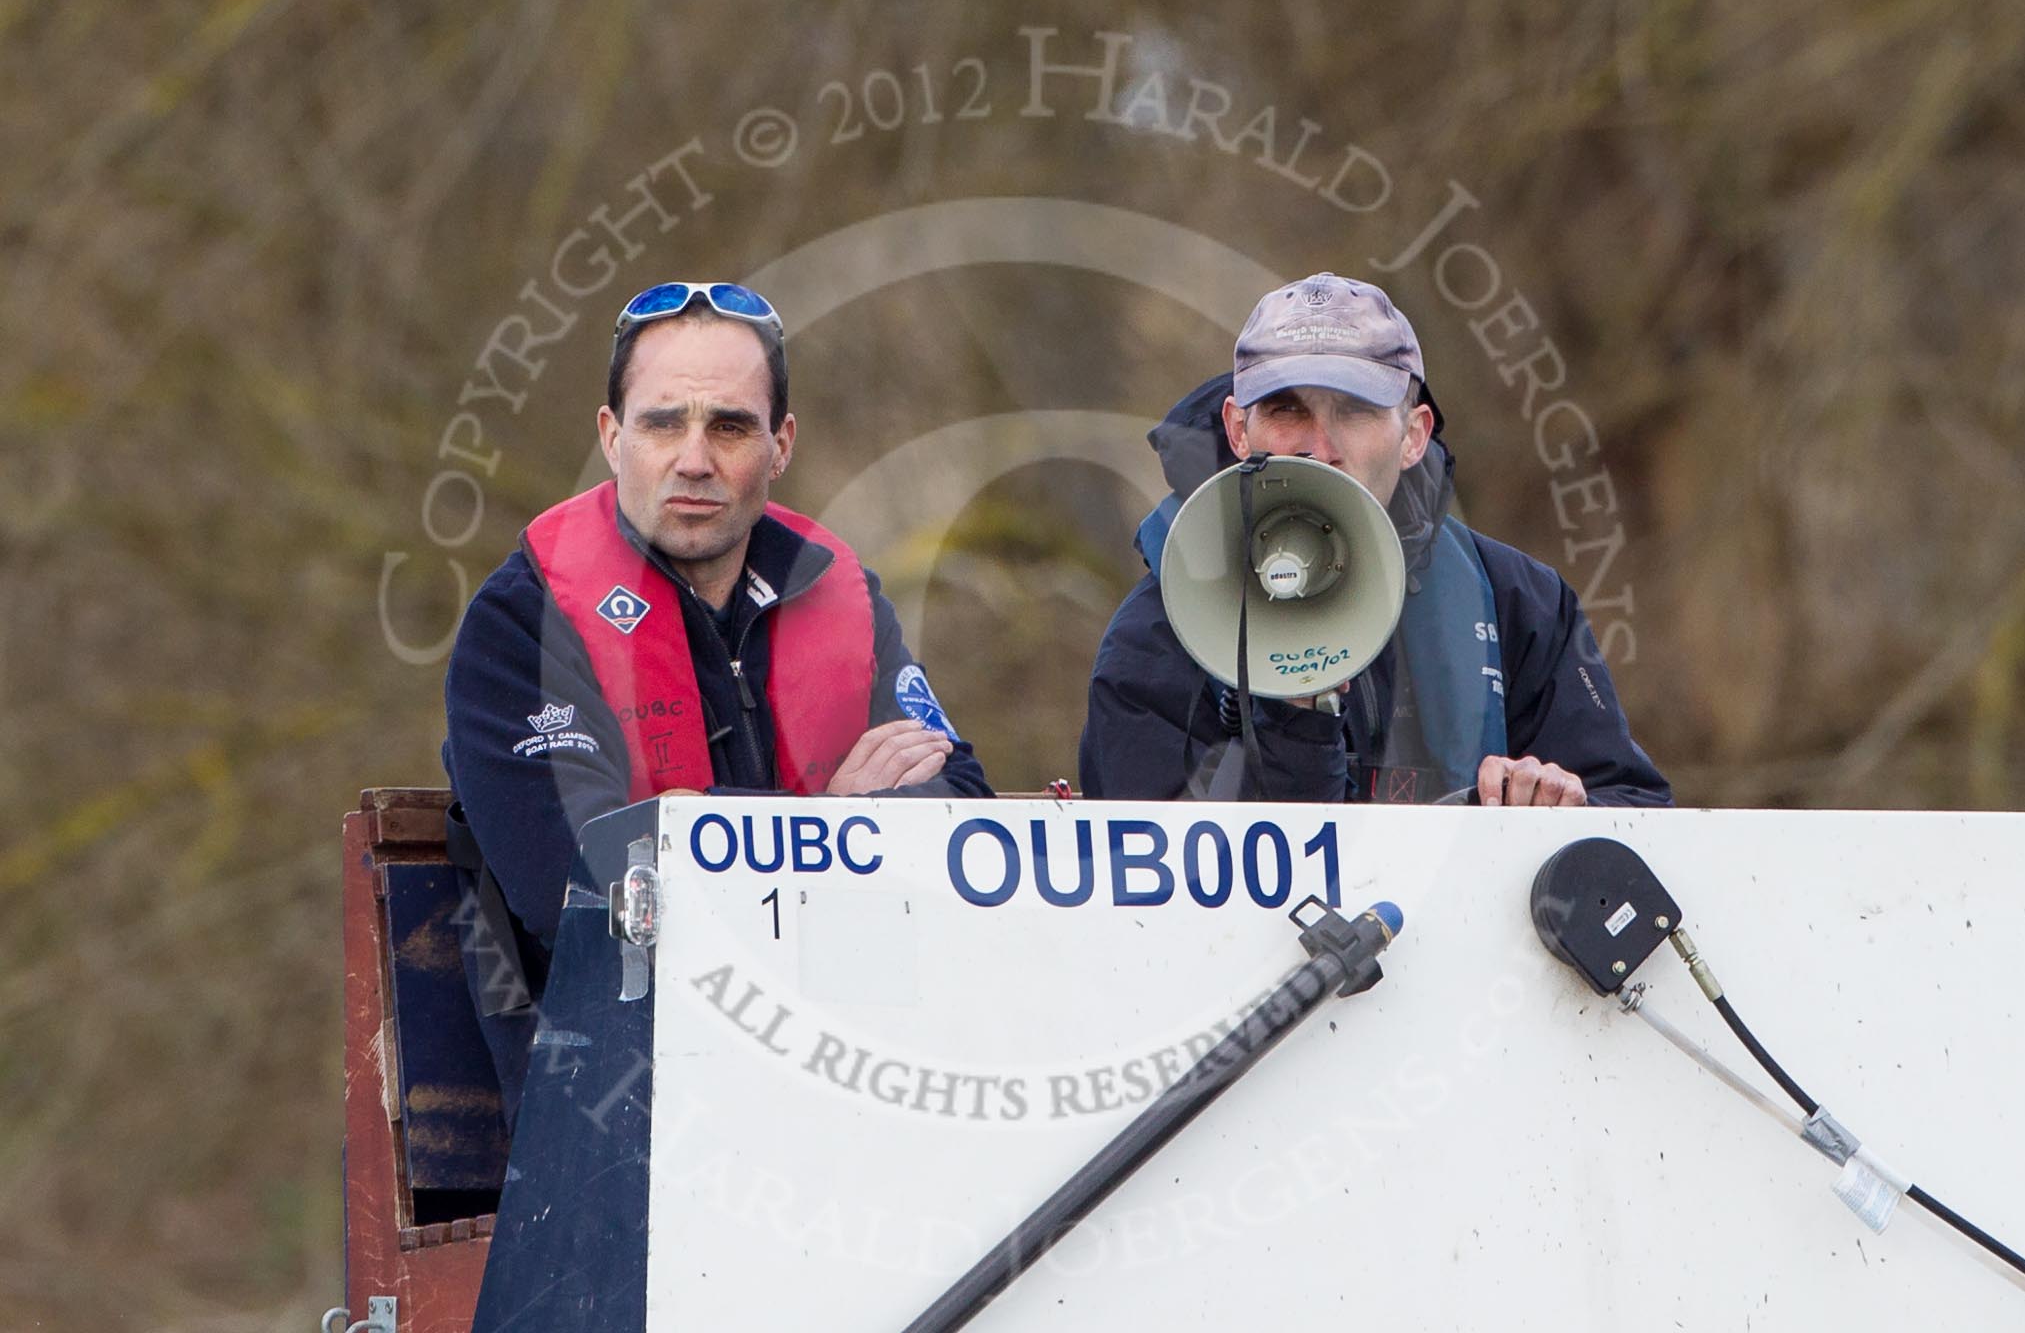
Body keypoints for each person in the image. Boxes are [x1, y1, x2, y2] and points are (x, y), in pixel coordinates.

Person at [443, 281, 991, 1119]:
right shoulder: (524, 622)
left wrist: (793, 834)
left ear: (781, 445)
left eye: (730, 426)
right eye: (664, 422)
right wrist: (831, 826)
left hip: (857, 1071)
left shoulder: (841, 594)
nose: (693, 458)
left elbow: (963, 804)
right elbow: (587, 884)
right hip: (622, 1103)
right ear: (612, 436)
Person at [1080, 272, 1671, 808]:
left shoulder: (1523, 603)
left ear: (1414, 435)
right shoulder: (1159, 629)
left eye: (1355, 410)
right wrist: (1293, 726)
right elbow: (1140, 885)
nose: (1319, 446)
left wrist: (1559, 809)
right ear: (1239, 429)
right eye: (1288, 410)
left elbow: (1640, 812)